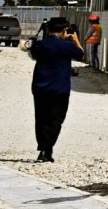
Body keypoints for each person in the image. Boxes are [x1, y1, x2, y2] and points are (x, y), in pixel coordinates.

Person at [26, 17, 87, 162]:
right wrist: (75, 39)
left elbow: (33, 54)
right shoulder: (66, 46)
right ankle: (46, 149)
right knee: (55, 120)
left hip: (40, 87)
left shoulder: (40, 45)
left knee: (41, 119)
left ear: (47, 29)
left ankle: (43, 148)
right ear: (64, 30)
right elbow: (80, 54)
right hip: (59, 88)